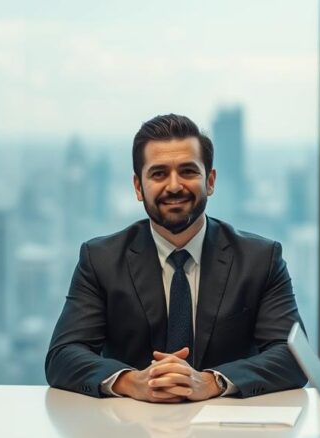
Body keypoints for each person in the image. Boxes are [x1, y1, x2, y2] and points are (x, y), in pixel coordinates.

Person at [46, 114, 306, 402]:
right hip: (128, 432)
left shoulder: (259, 259)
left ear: (210, 181)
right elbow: (63, 355)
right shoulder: (101, 260)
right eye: (158, 174)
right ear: (137, 187)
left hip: (229, 433)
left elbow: (293, 356)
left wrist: (211, 381)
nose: (173, 186)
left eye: (188, 171)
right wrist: (133, 382)